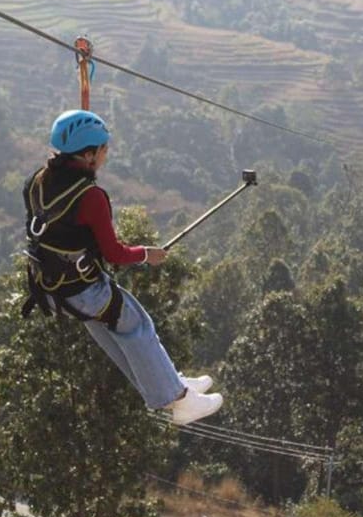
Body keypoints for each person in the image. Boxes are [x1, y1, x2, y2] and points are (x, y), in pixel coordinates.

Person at [21, 109, 223, 425]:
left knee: (116, 331)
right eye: (103, 148)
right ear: (88, 155)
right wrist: (146, 254)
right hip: (84, 290)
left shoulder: (37, 182)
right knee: (137, 326)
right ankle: (179, 400)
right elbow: (114, 253)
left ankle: (170, 381)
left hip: (50, 287)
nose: (106, 154)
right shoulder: (91, 197)